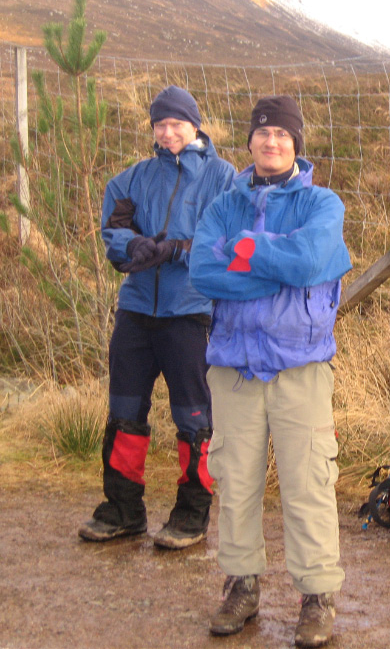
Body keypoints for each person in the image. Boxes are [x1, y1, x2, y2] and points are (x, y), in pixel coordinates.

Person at [189, 95, 352, 647]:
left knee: (309, 483)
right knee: (235, 482)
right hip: (233, 366)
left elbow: (309, 261)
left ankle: (317, 596)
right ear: (251, 141)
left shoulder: (323, 204)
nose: (272, 142)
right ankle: (241, 586)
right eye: (263, 133)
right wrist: (277, 263)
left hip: (299, 367)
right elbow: (203, 271)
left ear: (296, 143)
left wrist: (244, 249)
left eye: (282, 134)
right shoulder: (223, 205)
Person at [78, 86, 236, 549]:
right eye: (160, 125)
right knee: (124, 411)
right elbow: (114, 225)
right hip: (136, 309)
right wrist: (133, 245)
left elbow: (226, 240)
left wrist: (178, 249)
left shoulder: (223, 178)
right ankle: (123, 510)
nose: (168, 133)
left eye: (176, 124)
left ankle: (192, 513)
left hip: (190, 313)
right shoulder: (133, 178)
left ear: (195, 125)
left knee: (194, 417)